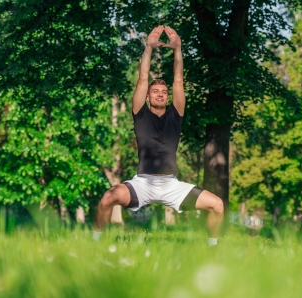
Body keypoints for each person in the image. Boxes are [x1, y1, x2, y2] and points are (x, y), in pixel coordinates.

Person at [92, 26, 224, 246]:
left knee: (217, 205)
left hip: (171, 185)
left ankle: (213, 249)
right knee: (108, 198)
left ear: (168, 96)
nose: (160, 94)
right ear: (148, 97)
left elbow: (179, 81)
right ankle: (94, 244)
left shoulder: (176, 114)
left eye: (164, 92)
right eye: (155, 92)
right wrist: (149, 48)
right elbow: (143, 79)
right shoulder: (140, 114)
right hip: (143, 183)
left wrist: (178, 49)